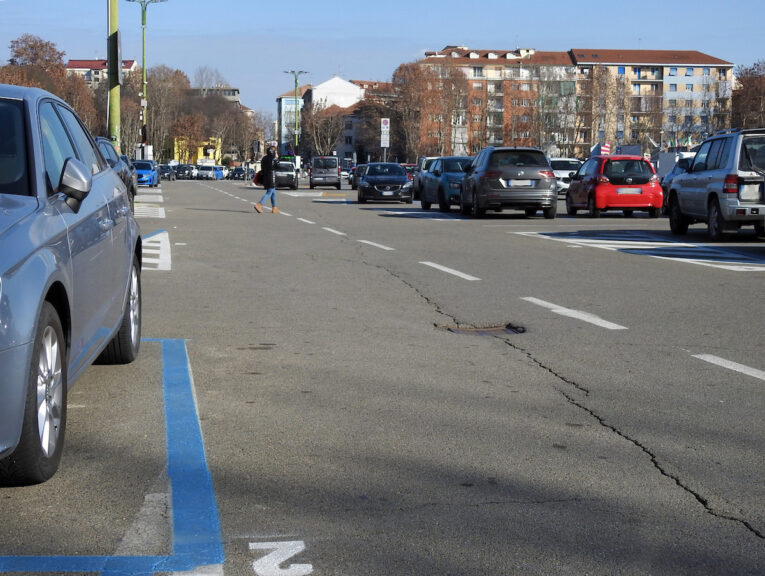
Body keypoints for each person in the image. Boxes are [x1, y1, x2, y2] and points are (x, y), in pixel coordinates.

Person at [254, 147, 279, 214]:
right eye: (275, 151)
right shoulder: (273, 159)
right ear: (273, 152)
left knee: (273, 192)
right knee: (269, 192)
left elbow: (262, 167)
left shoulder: (264, 158)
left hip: (265, 177)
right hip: (271, 177)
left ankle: (274, 207)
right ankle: (259, 204)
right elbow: (278, 166)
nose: (276, 153)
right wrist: (277, 158)